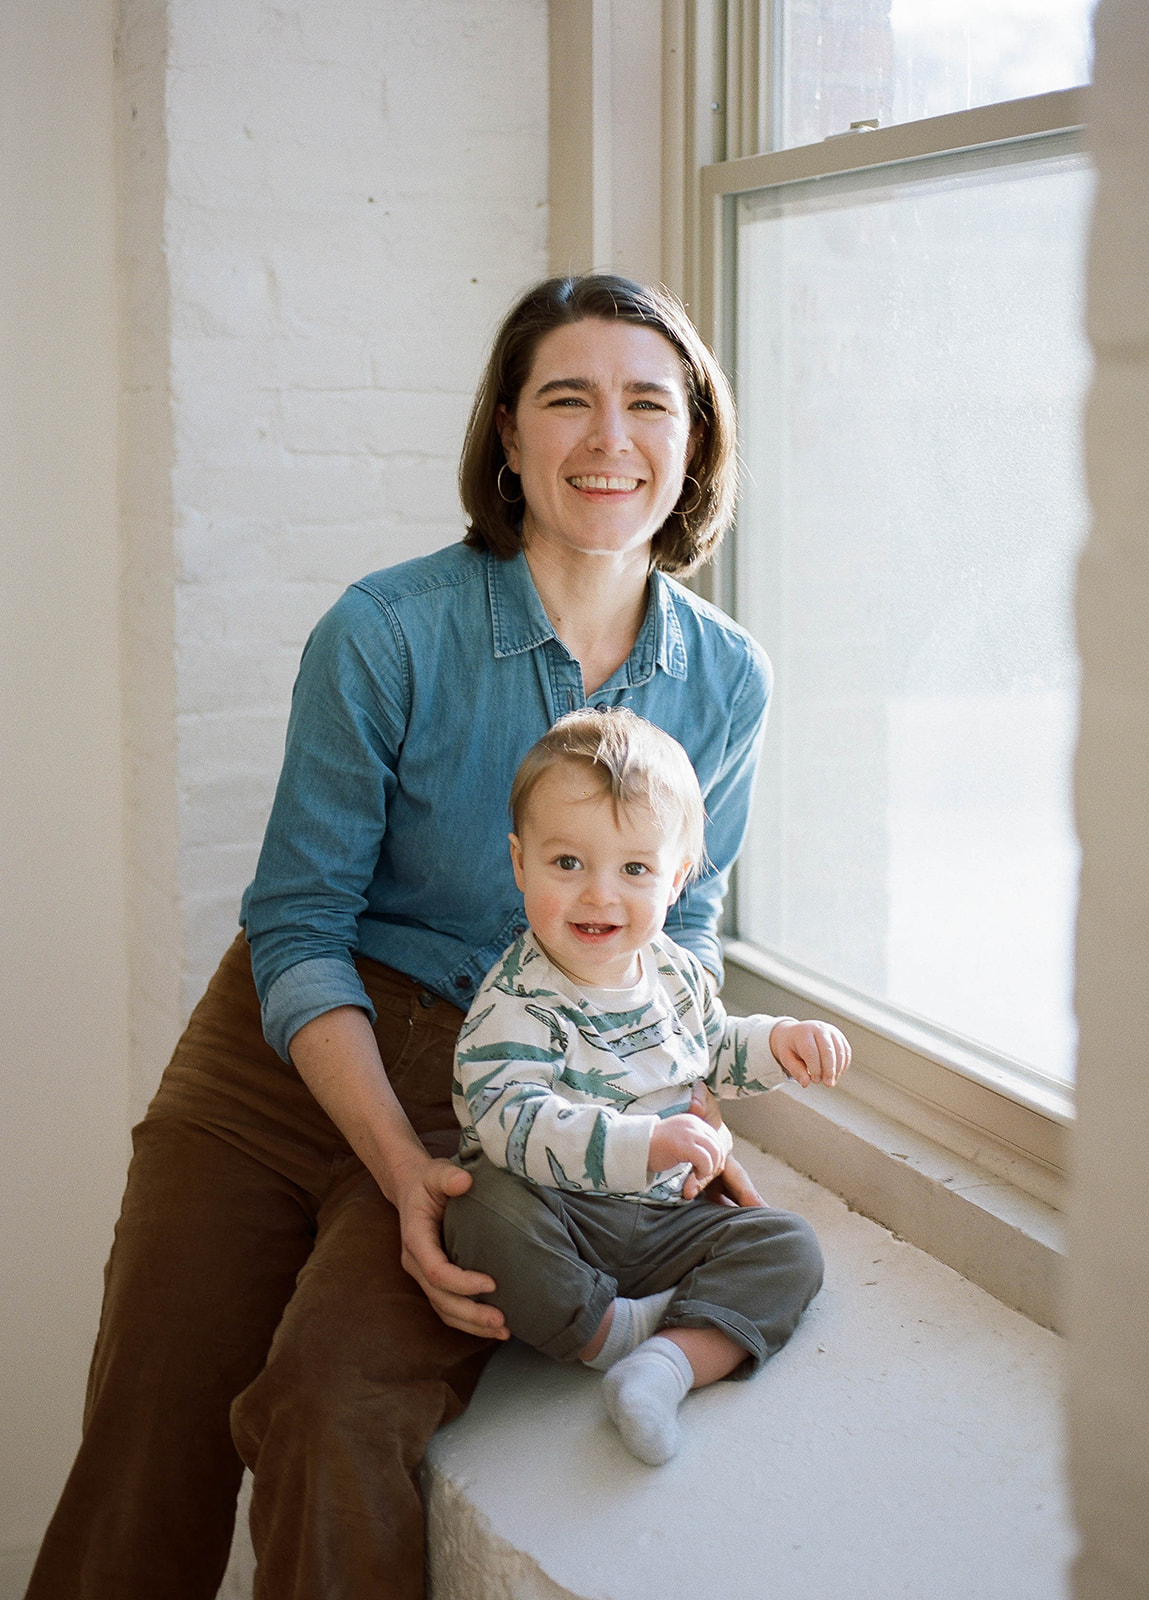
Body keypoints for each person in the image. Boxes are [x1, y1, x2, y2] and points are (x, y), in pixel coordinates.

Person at [27, 273, 773, 1600]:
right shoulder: (384, 632)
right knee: (155, 1421)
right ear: (505, 433)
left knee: (338, 1411)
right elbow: (298, 920)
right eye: (567, 400)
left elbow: (684, 929)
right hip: (277, 1064)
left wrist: (670, 1123)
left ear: (694, 443)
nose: (611, 439)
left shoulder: (725, 679)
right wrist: (386, 1162)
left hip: (496, 1099)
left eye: (649, 404)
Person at [445, 707, 850, 1466]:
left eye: (633, 870)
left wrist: (778, 1043)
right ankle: (608, 1334)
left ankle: (664, 1367)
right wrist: (647, 1141)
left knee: (787, 1245)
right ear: (519, 863)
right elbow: (516, 1124)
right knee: (481, 1211)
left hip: (666, 1218)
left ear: (675, 879)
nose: (599, 896)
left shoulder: (672, 971)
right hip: (560, 1215)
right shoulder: (514, 1002)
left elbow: (710, 1052)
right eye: (567, 863)